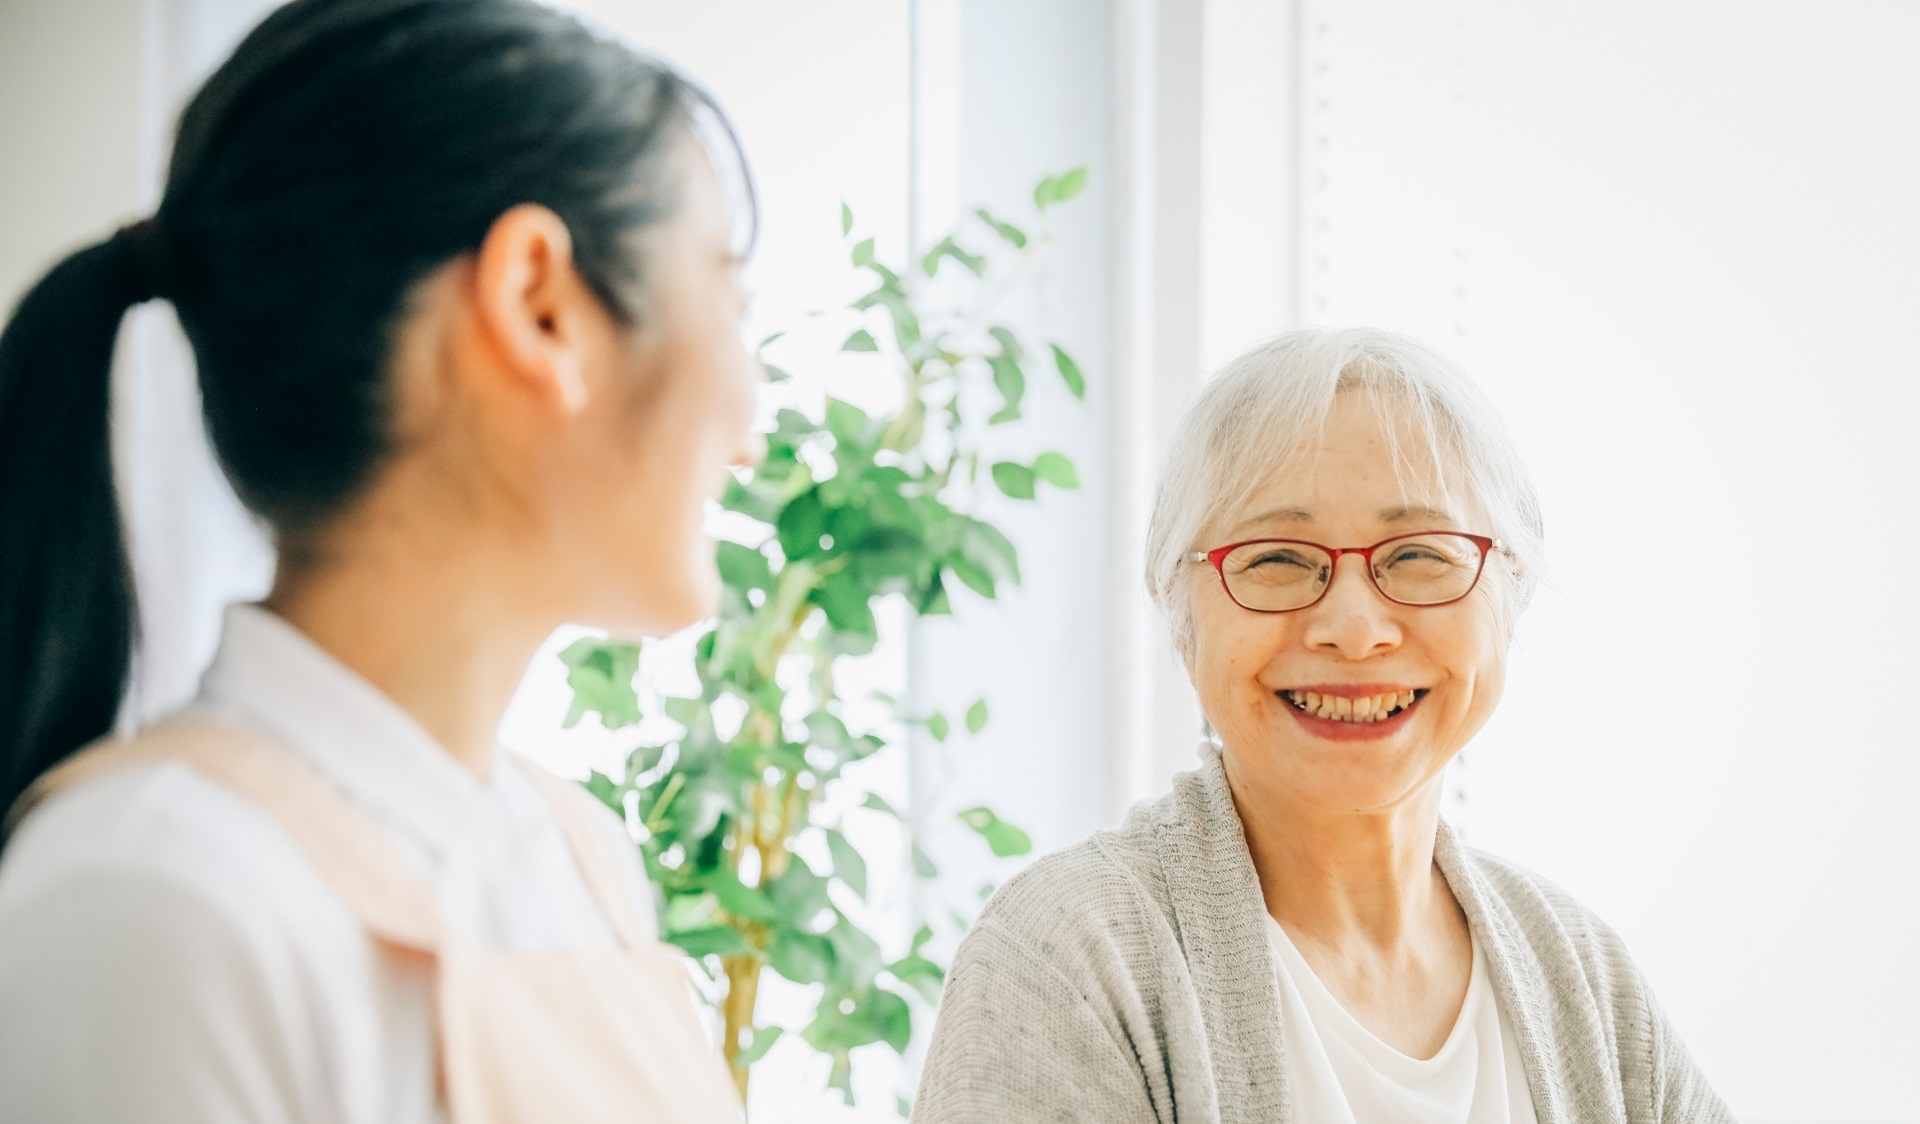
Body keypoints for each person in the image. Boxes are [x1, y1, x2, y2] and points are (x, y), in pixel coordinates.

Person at [0, 1, 761, 1120]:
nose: (752, 426)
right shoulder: (153, 900)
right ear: (537, 305)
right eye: (729, 300)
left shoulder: (580, 855)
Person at [912, 328, 1734, 1124]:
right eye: (1275, 558)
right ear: (1176, 606)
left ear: (1509, 590)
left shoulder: (1582, 976)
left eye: (1419, 554)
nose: (1353, 627)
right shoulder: (1071, 961)